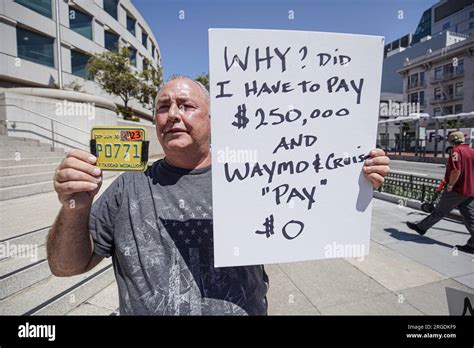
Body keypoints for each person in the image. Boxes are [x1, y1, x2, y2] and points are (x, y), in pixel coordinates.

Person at [47, 75, 391, 315]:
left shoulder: (251, 174)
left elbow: (311, 208)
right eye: (163, 107)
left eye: (186, 105)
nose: (173, 115)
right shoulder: (128, 187)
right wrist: (75, 206)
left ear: (213, 119)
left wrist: (353, 179)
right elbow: (65, 267)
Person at [407, 131, 474, 254]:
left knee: (440, 211)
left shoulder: (456, 151)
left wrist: (450, 185)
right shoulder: (472, 151)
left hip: (457, 190)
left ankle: (421, 227)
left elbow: (456, 171)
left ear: (451, 140)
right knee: (470, 217)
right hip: (470, 190)